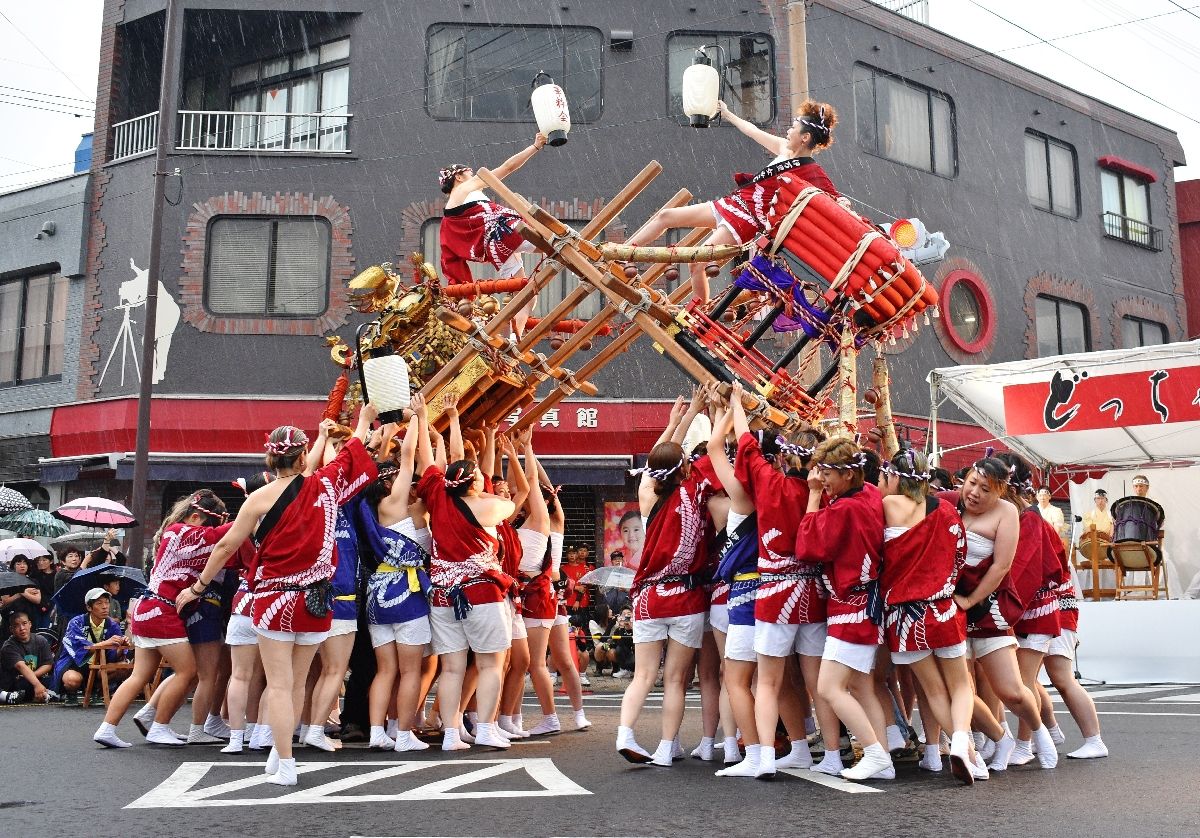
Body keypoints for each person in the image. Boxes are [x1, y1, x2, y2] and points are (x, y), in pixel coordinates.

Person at [178, 407, 378, 786]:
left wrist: (197, 587)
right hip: (318, 601)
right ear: (304, 455)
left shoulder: (257, 499)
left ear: (269, 457)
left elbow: (224, 548)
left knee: (280, 684)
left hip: (273, 601)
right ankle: (278, 753)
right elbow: (354, 452)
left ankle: (285, 761)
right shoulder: (326, 484)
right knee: (297, 682)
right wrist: (364, 420)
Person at [624, 98, 840, 300]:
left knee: (698, 263)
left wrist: (843, 203)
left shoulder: (812, 171)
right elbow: (752, 131)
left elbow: (835, 200)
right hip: (733, 203)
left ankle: (701, 318)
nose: (788, 131)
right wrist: (727, 114)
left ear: (805, 137)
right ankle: (623, 252)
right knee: (665, 216)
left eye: (793, 128)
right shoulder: (784, 149)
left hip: (746, 220)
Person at [617, 386, 721, 767]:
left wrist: (676, 421)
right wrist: (699, 412)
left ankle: (625, 732)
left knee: (642, 675)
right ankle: (665, 747)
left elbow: (657, 461)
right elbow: (679, 461)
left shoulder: (648, 494)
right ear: (686, 469)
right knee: (675, 680)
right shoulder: (696, 493)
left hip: (648, 597)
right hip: (687, 597)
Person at [93, 489, 240, 751]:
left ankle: (107, 728)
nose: (212, 528)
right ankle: (160, 726)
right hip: (162, 611)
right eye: (210, 522)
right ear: (196, 517)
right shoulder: (183, 532)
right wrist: (253, 509)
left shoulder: (172, 533)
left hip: (147, 608)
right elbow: (220, 536)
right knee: (188, 671)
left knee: (139, 676)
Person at [412, 394, 516, 752]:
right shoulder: (488, 507)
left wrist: (425, 419)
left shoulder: (437, 497)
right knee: (490, 663)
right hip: (481, 592)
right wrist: (451, 420)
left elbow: (429, 461)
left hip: (442, 592)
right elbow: (511, 502)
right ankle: (485, 727)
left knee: (452, 668)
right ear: (475, 483)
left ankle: (452, 733)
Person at [878, 449, 979, 784]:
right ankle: (965, 743)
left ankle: (965, 751)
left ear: (895, 475)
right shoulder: (948, 512)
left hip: (905, 617)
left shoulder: (888, 506)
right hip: (943, 609)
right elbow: (959, 556)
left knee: (933, 691)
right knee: (960, 685)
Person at [797, 438, 891, 782]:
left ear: (847, 474)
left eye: (826, 472)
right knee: (863, 688)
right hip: (865, 604)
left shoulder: (845, 508)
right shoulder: (868, 494)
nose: (821, 478)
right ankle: (884, 759)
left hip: (851, 607)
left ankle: (876, 753)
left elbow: (808, 545)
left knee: (829, 688)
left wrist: (810, 496)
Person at [360, 413, 434, 753]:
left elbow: (401, 464)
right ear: (387, 485)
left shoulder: (371, 509)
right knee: (409, 672)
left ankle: (378, 731)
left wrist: (384, 438)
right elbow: (408, 460)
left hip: (378, 591)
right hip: (407, 593)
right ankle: (403, 735)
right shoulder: (393, 504)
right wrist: (418, 418)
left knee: (385, 670)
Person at [438, 130, 548, 336]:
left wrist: (462, 293)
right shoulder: (463, 190)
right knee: (554, 245)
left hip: (496, 248)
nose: (473, 175)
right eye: (468, 172)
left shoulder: (452, 214)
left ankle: (514, 339)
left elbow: (449, 256)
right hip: (505, 232)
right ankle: (587, 259)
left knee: (527, 295)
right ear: (459, 177)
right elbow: (507, 168)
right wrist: (535, 147)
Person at [54, 588, 129, 702]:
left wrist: (122, 645)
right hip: (75, 665)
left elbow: (114, 655)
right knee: (72, 680)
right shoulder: (76, 622)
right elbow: (78, 649)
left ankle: (97, 690)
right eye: (99, 603)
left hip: (99, 665)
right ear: (89, 607)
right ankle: (71, 693)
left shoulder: (112, 625)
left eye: (107, 602)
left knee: (124, 667)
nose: (105, 606)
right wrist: (105, 643)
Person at [0, 611, 55, 703]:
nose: (22, 628)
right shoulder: (9, 646)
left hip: (35, 677)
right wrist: (37, 685)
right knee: (23, 683)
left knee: (55, 679)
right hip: (16, 681)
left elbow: (48, 664)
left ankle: (45, 693)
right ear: (11, 629)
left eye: (24, 623)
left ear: (30, 624)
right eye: (17, 625)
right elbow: (21, 666)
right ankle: (44, 694)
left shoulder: (41, 640)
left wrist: (35, 679)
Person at [1, 556, 42, 636]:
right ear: (13, 566)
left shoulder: (33, 581)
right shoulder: (7, 582)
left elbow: (37, 600)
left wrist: (22, 592)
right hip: (11, 616)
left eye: (24, 563)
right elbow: (5, 601)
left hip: (29, 616)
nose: (22, 566)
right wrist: (21, 592)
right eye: (18, 564)